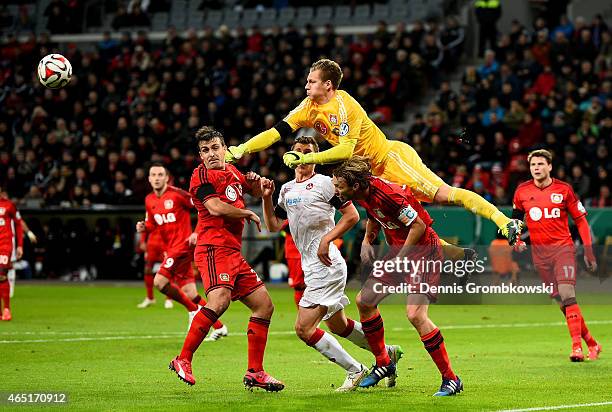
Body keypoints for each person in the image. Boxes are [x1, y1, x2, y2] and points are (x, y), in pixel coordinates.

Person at [224, 58, 522, 248]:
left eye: (311, 81)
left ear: (327, 85)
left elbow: (345, 149)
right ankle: (455, 256)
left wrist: (306, 158)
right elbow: (275, 132)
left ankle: (503, 221)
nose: (306, 85)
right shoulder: (306, 108)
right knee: (400, 224)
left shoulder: (345, 106)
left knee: (445, 196)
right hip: (367, 174)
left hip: (389, 160)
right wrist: (241, 149)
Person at [260, 136, 403, 391]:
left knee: (304, 329)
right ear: (291, 156)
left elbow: (352, 215)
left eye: (308, 152)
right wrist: (266, 198)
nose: (303, 156)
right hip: (311, 265)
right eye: (298, 151)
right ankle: (386, 352)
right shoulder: (286, 189)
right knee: (338, 325)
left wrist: (327, 239)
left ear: (315, 158)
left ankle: (355, 369)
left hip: (326, 263)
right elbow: (273, 226)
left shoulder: (325, 184)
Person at [332, 157, 463, 396]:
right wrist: (367, 240)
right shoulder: (364, 193)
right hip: (399, 251)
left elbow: (419, 226)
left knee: (415, 315)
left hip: (424, 251)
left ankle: (451, 379)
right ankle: (383, 362)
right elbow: (374, 214)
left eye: (340, 186)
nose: (336, 190)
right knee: (365, 301)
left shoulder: (389, 195)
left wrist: (401, 257)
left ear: (356, 186)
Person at [169, 126, 284, 390]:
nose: (210, 154)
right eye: (205, 150)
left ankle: (255, 372)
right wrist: (247, 214)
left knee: (264, 305)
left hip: (232, 252)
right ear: (200, 155)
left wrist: (260, 184)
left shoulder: (232, 171)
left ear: (224, 148)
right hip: (212, 248)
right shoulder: (199, 176)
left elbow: (253, 191)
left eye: (215, 148)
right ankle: (183, 359)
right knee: (219, 300)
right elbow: (214, 207)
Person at [512, 149, 601, 362]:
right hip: (540, 256)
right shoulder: (522, 191)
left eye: (541, 164)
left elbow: (580, 220)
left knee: (567, 294)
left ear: (550, 166)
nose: (537, 168)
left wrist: (588, 251)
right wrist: (516, 240)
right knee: (561, 302)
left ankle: (576, 347)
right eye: (534, 165)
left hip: (563, 250)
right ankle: (592, 343)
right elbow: (515, 220)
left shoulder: (564, 190)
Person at [136, 164, 227, 340]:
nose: (156, 178)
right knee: (191, 293)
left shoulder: (178, 195)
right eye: (153, 175)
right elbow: (154, 223)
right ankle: (220, 327)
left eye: (160, 174)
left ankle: (192, 311)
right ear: (148, 178)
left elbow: (203, 207)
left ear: (166, 177)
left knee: (160, 281)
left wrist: (196, 232)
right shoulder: (149, 200)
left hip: (183, 246)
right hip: (169, 249)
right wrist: (144, 226)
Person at [0, 187, 23, 321]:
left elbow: (18, 224)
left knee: (2, 275)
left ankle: (7, 309)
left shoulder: (9, 205)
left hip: (4, 246)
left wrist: (20, 245)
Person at [137, 229, 174, 308]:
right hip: (151, 244)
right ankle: (150, 298)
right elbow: (146, 225)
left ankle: (169, 298)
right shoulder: (150, 216)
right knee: (147, 269)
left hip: (165, 244)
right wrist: (142, 241)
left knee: (168, 269)